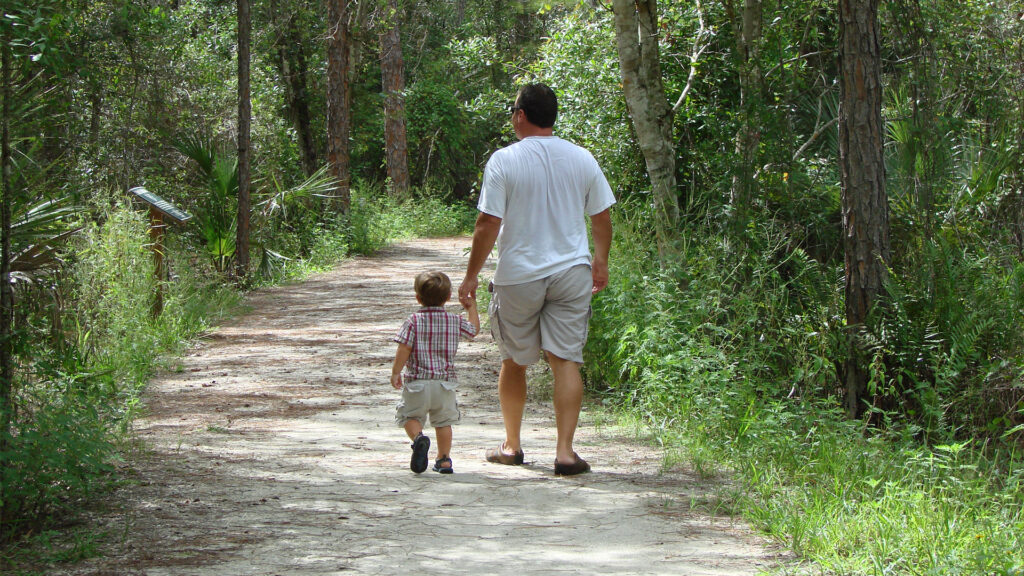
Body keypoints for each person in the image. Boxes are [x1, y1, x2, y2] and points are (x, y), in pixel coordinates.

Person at [458, 83, 615, 476]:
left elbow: (488, 222)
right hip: (571, 272)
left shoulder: (504, 160)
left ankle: (512, 446)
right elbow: (601, 218)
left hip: (520, 276)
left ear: (521, 115)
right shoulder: (582, 158)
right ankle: (565, 453)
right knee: (565, 360)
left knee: (514, 361)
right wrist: (601, 261)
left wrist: (470, 277)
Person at [391, 271, 480, 474]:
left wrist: (396, 372)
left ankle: (419, 438)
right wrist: (471, 307)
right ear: (448, 297)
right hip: (444, 384)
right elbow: (473, 330)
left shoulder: (413, 321)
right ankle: (444, 459)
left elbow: (404, 348)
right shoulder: (454, 321)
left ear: (418, 298)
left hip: (417, 382)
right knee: (443, 422)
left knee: (409, 417)